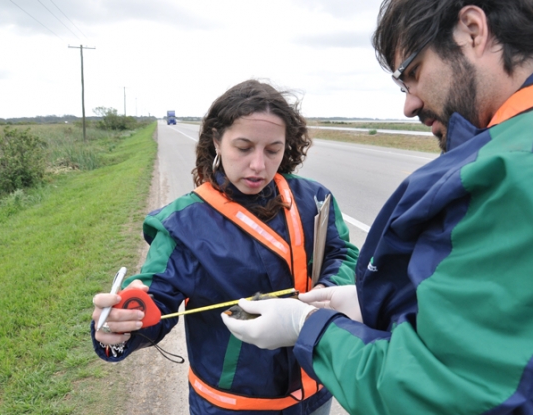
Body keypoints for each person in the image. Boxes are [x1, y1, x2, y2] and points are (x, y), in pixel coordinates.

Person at [221, 1, 533, 414]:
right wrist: (382, 307)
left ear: (472, 31)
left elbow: (437, 391)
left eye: (412, 73)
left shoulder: (530, 172)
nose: (409, 104)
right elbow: (525, 337)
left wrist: (308, 329)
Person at [91, 79, 359, 415]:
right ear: (217, 141)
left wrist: (327, 289)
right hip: (233, 406)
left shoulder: (313, 198)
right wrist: (119, 326)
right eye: (244, 148)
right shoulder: (183, 224)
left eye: (273, 150)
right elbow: (154, 300)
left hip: (317, 390)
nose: (258, 165)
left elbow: (343, 253)